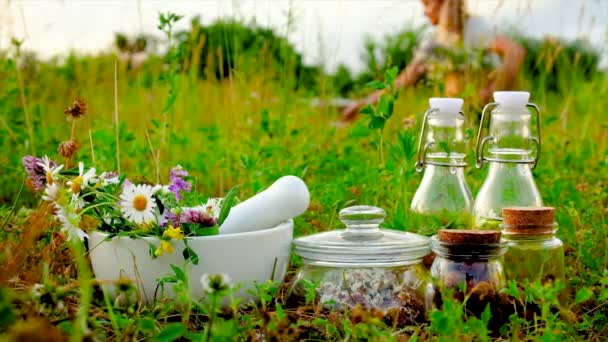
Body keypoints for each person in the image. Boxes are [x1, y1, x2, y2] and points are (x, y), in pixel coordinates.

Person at [340, 0, 526, 122]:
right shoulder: (433, 44)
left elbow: (515, 52)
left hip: (489, 115)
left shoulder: (475, 28)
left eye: (427, 4)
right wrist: (362, 104)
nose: (425, 12)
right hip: (457, 117)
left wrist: (492, 91)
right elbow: (403, 81)